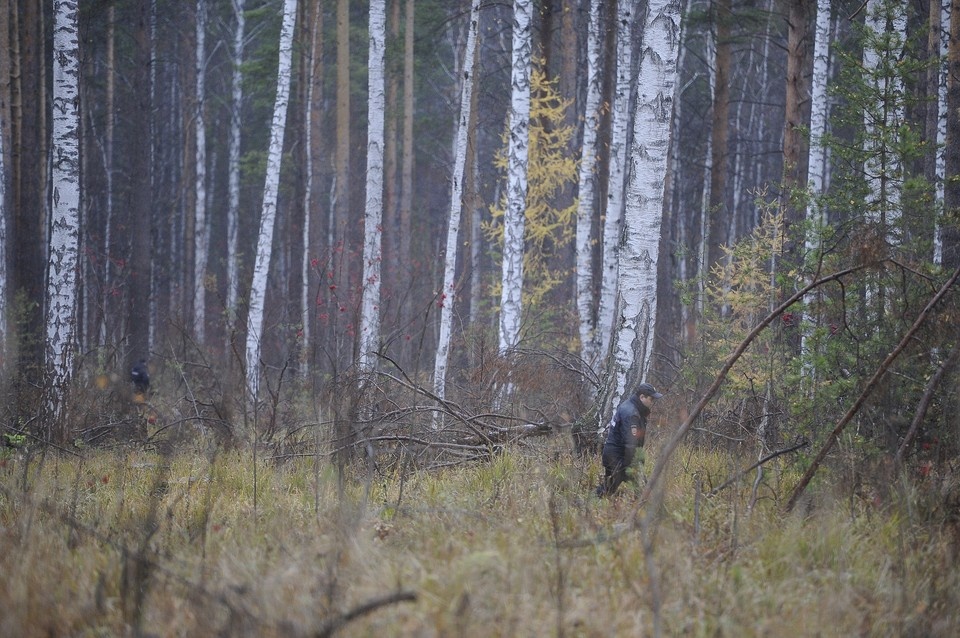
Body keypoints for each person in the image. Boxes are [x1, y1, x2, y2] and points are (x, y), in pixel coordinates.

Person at [596, 382, 663, 497]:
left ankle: (590, 505)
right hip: (620, 459)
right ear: (642, 397)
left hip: (617, 456)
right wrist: (629, 466)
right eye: (651, 399)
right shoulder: (631, 413)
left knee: (608, 489)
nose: (652, 402)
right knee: (643, 492)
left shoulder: (633, 408)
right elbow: (630, 443)